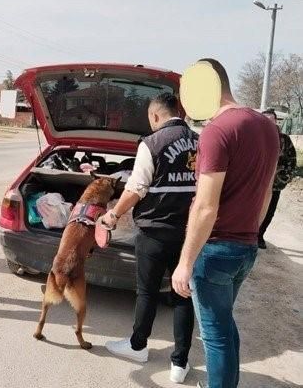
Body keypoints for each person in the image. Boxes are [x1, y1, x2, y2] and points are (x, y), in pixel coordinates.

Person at [172, 58, 279, 388]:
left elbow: (205, 207)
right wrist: (251, 231)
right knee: (224, 326)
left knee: (215, 336)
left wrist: (184, 263)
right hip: (245, 246)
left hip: (215, 250)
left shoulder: (217, 131)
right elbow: (266, 193)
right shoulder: (266, 127)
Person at [102, 93, 197, 384]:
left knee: (147, 292)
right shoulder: (200, 141)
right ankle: (179, 364)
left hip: (154, 231)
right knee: (183, 295)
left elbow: (136, 188)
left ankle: (138, 346)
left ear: (156, 116)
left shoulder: (151, 143)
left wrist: (113, 215)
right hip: (189, 233)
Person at [257, 108, 297, 249]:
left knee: (269, 210)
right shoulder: (254, 137)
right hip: (255, 183)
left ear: (275, 121)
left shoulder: (284, 140)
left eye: (270, 120)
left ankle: (259, 235)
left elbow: (291, 161)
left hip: (274, 184)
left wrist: (281, 179)